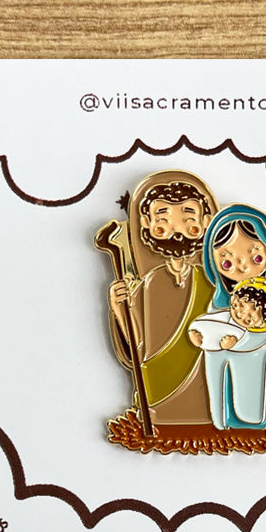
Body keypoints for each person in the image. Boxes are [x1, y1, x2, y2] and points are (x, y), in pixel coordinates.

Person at [105, 171, 217, 429]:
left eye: (188, 219)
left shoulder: (211, 283)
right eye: (164, 220)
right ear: (146, 223)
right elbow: (137, 347)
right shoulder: (150, 283)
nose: (176, 230)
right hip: (159, 398)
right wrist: (119, 310)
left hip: (208, 394)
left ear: (206, 222)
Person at [196, 206, 266, 430]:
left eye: (256, 257)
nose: (242, 267)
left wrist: (236, 342)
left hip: (261, 369)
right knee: (222, 382)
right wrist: (203, 337)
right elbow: (211, 343)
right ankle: (222, 419)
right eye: (227, 262)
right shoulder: (218, 303)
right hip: (229, 372)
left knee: (265, 387)